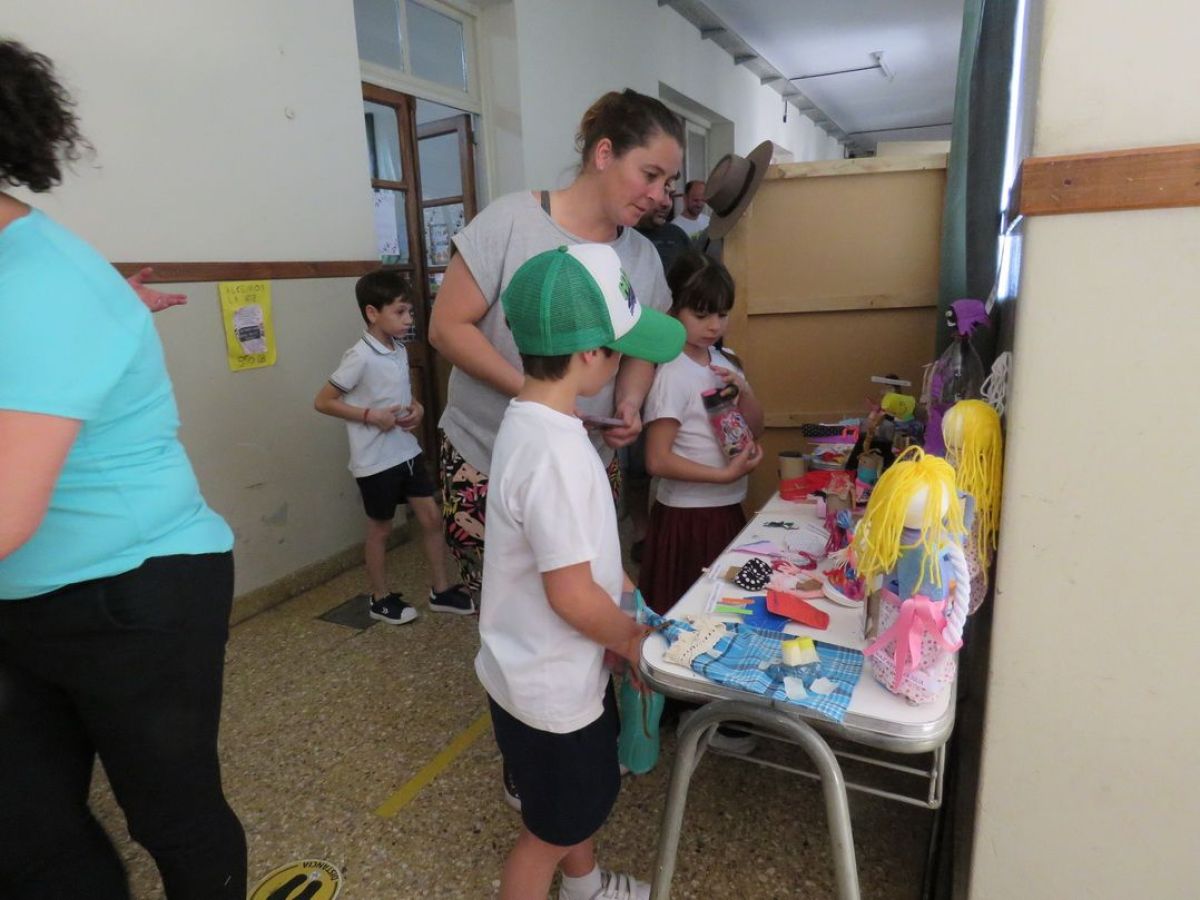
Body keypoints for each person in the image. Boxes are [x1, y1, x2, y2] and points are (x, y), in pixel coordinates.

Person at [0, 40, 245, 899]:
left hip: (135, 590)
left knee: (172, 817)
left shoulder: (40, 282)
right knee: (24, 827)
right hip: (21, 596)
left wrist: (93, 320)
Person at [476, 243, 685, 900]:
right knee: (550, 829)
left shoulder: (540, 424)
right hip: (552, 689)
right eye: (621, 351)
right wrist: (633, 641)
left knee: (570, 810)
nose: (624, 363)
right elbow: (569, 594)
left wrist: (628, 602)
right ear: (592, 354)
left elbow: (584, 556)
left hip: (536, 671)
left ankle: (586, 887)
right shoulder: (555, 455)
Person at [428, 88, 684, 601]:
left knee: (587, 589)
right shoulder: (511, 222)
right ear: (604, 153)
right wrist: (540, 396)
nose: (661, 196)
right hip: (487, 453)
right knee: (508, 603)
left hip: (586, 457)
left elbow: (641, 347)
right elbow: (447, 327)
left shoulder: (642, 256)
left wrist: (628, 403)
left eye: (669, 183)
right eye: (651, 174)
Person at [314, 270, 474, 622]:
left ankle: (440, 590)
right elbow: (323, 401)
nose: (409, 319)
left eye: (410, 312)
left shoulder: (398, 349)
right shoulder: (359, 356)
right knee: (381, 529)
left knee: (431, 518)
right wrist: (370, 416)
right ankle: (379, 597)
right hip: (375, 461)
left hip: (407, 452)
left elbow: (399, 396)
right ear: (373, 313)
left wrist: (417, 408)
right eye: (400, 312)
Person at [638, 250, 765, 616]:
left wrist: (744, 390)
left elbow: (755, 428)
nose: (713, 326)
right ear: (675, 309)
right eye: (701, 314)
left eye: (721, 314)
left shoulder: (725, 363)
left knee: (723, 613)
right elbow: (656, 459)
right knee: (688, 616)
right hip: (687, 518)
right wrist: (722, 475)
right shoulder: (672, 372)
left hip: (726, 508)